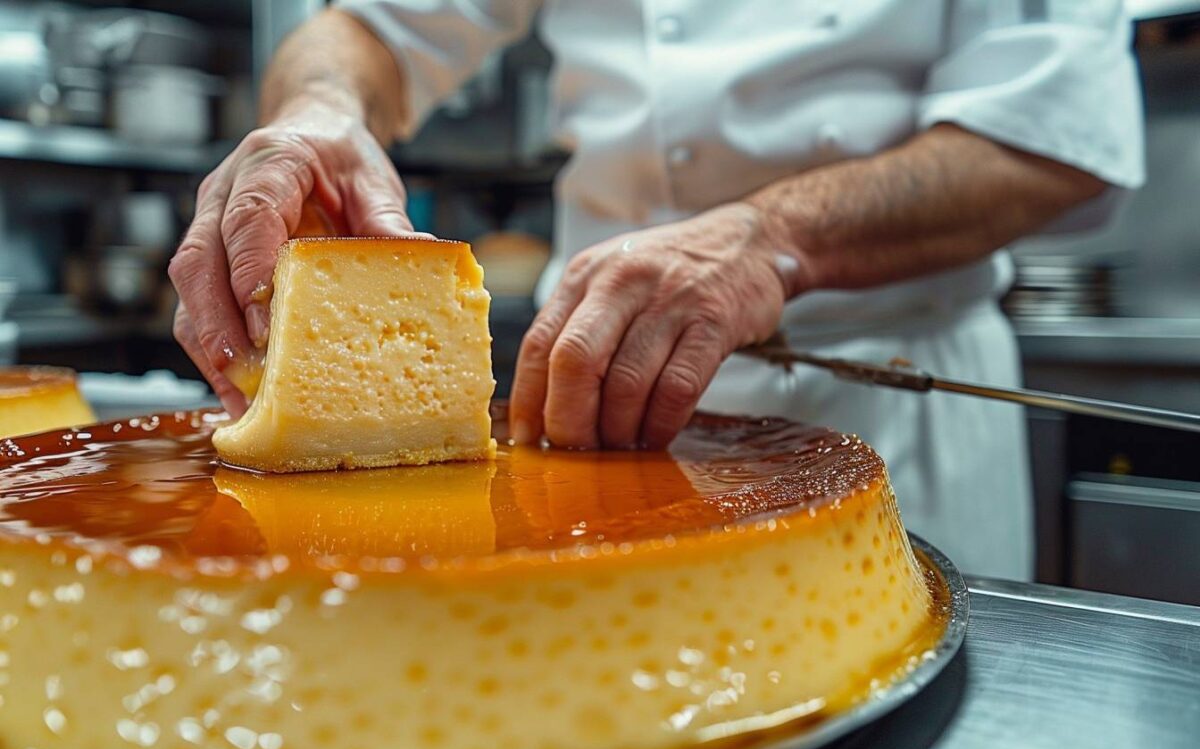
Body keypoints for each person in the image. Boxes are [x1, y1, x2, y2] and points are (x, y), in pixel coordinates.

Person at [167, 1, 1143, 580]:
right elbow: (365, 29)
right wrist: (319, 107)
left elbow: (1055, 137)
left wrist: (773, 239)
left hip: (885, 395)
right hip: (584, 402)